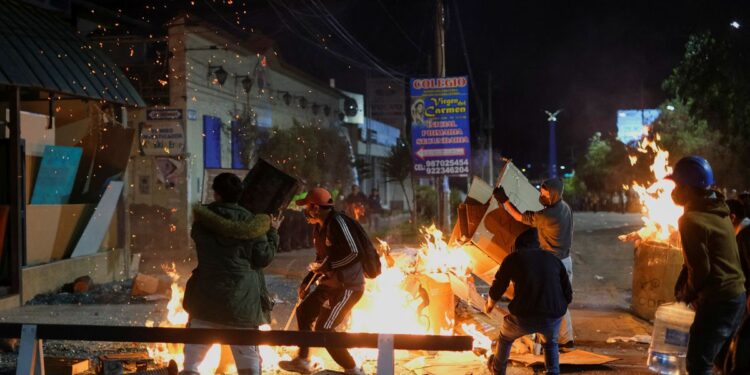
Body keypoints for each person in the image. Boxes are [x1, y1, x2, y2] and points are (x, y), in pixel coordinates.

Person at [181, 173, 283, 375]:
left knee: (192, 364)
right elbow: (263, 258)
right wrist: (272, 232)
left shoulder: (202, 221)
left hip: (205, 302)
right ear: (240, 194)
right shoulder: (254, 223)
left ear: (216, 194)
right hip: (242, 306)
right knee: (249, 365)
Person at [668, 156, 746, 375]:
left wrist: (684, 296)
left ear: (688, 187)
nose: (674, 192)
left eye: (677, 186)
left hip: (719, 300)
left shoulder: (691, 220)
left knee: (698, 362)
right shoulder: (719, 211)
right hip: (736, 297)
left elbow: (701, 270)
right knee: (722, 361)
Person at [278, 188, 366, 375]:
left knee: (324, 329)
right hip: (329, 284)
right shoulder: (319, 228)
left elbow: (354, 252)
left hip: (348, 287)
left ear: (316, 208)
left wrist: (328, 268)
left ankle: (353, 370)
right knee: (305, 310)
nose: (305, 213)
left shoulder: (338, 222)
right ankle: (303, 360)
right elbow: (321, 259)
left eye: (307, 208)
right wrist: (307, 282)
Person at [493, 178, 575, 349]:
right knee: (559, 302)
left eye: (544, 193)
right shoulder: (565, 208)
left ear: (552, 194)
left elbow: (518, 217)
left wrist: (504, 200)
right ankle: (566, 339)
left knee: (543, 303)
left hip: (552, 265)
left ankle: (544, 342)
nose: (541, 195)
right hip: (565, 261)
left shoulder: (548, 216)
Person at [485, 229, 573, 375]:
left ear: (517, 246)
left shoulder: (513, 258)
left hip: (523, 317)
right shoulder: (554, 260)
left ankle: (498, 370)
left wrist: (489, 305)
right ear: (537, 245)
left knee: (505, 338)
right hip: (553, 315)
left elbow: (498, 285)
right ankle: (553, 371)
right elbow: (568, 294)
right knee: (551, 342)